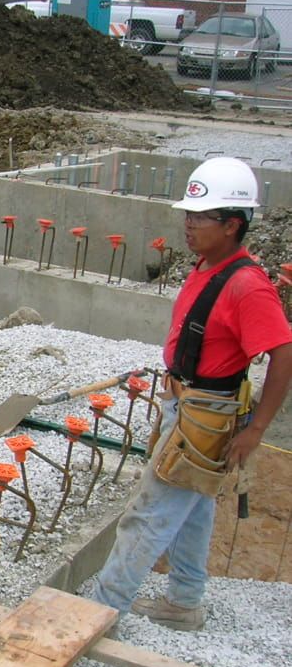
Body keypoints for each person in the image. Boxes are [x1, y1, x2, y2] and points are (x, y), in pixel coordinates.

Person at [93, 157, 292, 630]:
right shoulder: (208, 266)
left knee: (147, 515)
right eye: (188, 214)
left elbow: (284, 354)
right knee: (195, 509)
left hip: (207, 415)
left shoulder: (248, 286)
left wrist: (256, 429)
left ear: (232, 225)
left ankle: (98, 612)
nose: (189, 224)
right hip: (189, 404)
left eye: (201, 217)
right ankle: (185, 601)